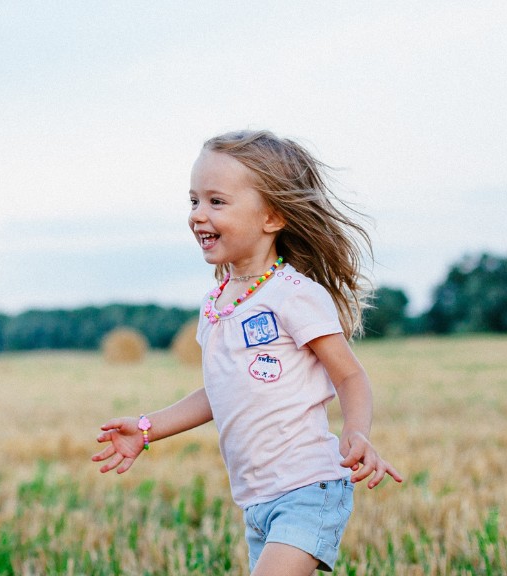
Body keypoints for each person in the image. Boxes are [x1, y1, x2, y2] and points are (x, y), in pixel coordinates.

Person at [91, 129, 403, 575]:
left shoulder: (294, 294)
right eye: (194, 201)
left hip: (308, 489)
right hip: (256, 501)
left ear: (272, 217)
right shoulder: (216, 304)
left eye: (217, 202)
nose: (199, 215)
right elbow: (219, 390)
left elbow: (350, 376)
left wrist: (357, 431)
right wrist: (146, 428)